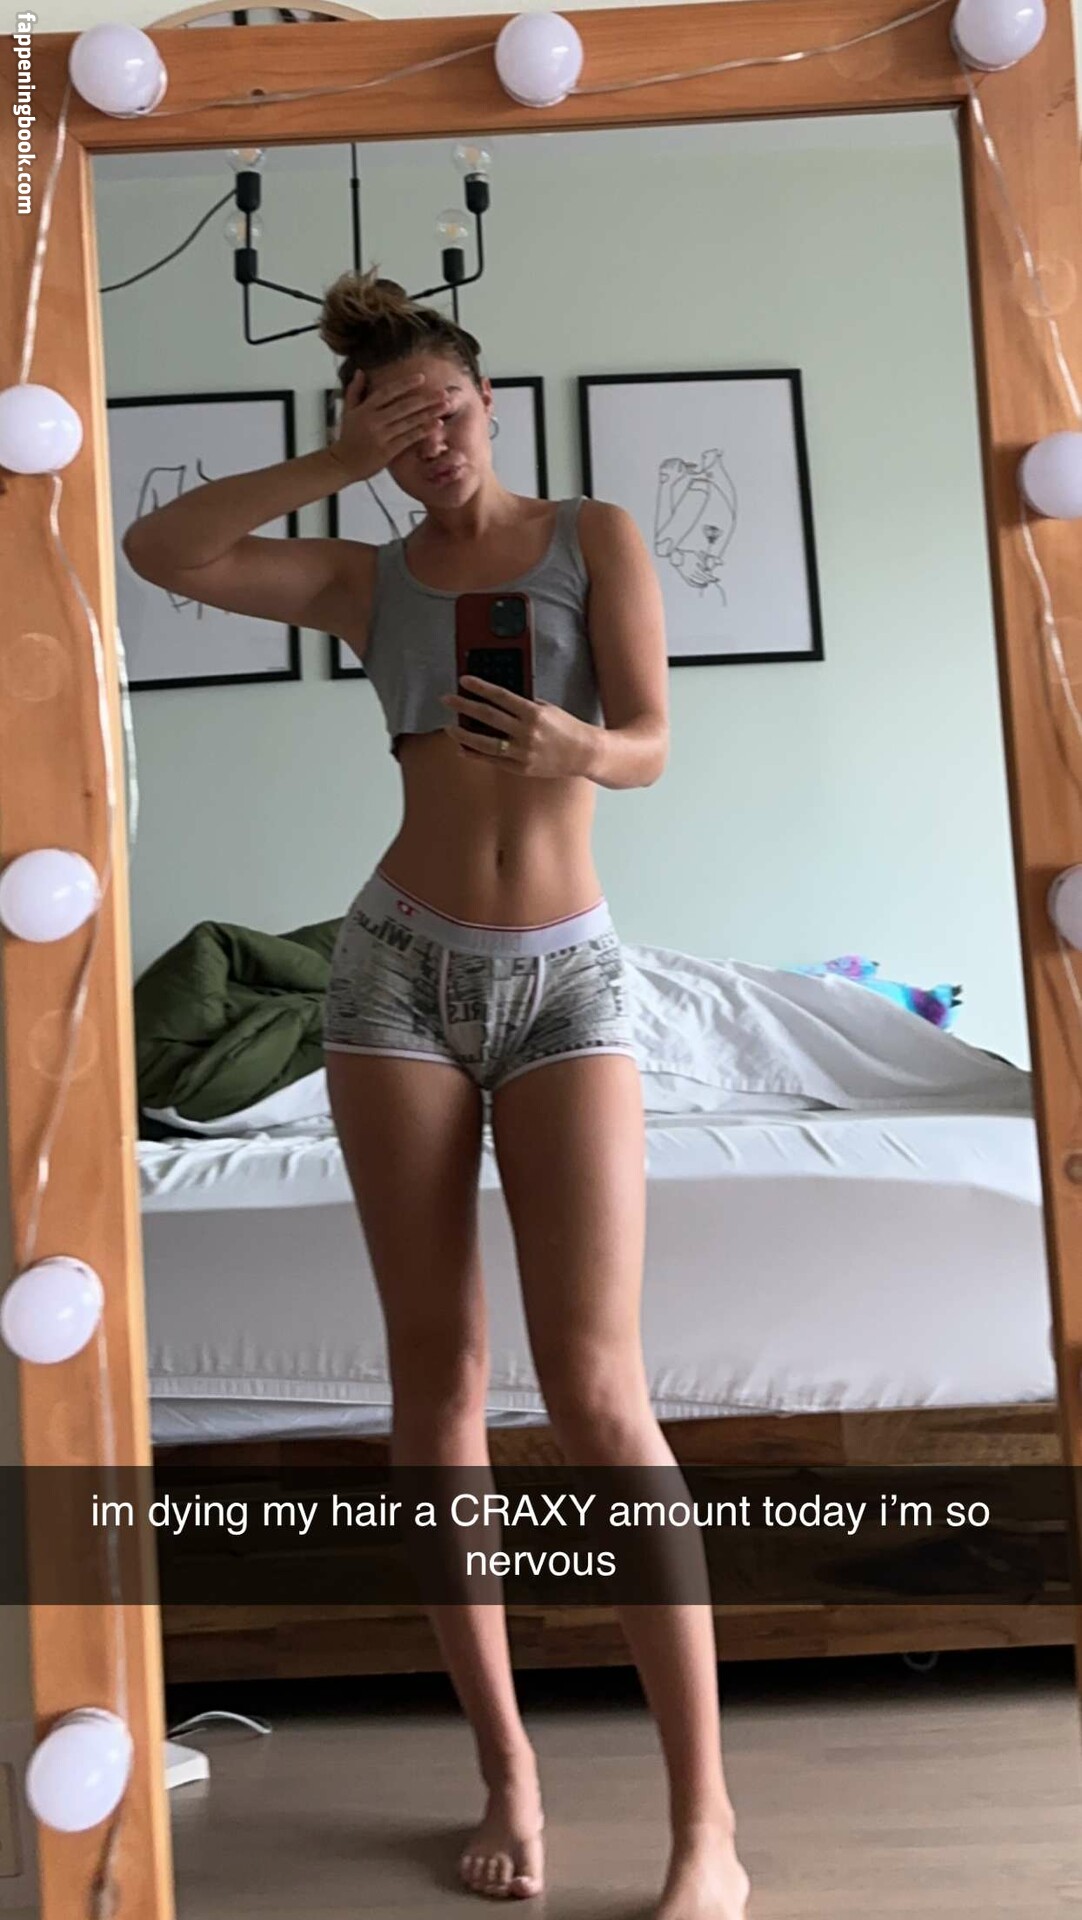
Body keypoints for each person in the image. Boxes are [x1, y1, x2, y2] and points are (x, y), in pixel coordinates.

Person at [122, 267, 751, 1920]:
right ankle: (507, 1773)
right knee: (437, 1386)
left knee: (601, 1395)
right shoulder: (367, 576)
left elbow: (653, 739)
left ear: (490, 403)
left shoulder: (594, 533)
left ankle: (705, 1826)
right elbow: (159, 553)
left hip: (566, 975)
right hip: (392, 970)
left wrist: (574, 749)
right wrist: (333, 465)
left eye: (448, 415)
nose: (432, 447)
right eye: (398, 430)